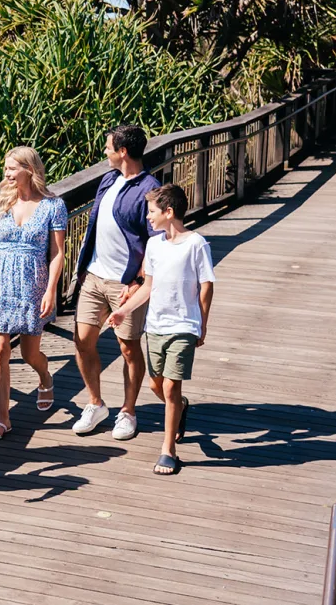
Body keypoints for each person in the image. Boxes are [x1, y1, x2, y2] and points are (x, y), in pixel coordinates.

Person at [108, 184, 215, 475]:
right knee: (156, 384)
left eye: (152, 212)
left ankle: (168, 450)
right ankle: (180, 408)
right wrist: (123, 311)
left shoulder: (196, 244)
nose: (148, 218)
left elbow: (206, 285)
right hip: (155, 325)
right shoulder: (155, 245)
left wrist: (201, 323)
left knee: (169, 386)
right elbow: (149, 287)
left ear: (169, 212)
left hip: (183, 325)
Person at [72, 125, 160, 439]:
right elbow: (95, 225)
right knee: (82, 342)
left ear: (123, 151)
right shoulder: (108, 179)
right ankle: (95, 403)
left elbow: (155, 241)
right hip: (94, 276)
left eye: (108, 147)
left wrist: (138, 280)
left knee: (128, 348)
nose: (105, 153)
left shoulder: (150, 188)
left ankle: (128, 411)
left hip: (125, 283)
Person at [0, 147, 66, 442]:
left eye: (13, 168)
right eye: (6, 168)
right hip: (0, 281)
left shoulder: (53, 206)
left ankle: (44, 376)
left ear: (29, 169)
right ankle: (3, 418)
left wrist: (51, 289)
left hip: (33, 283)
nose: (7, 174)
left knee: (29, 353)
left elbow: (57, 252)